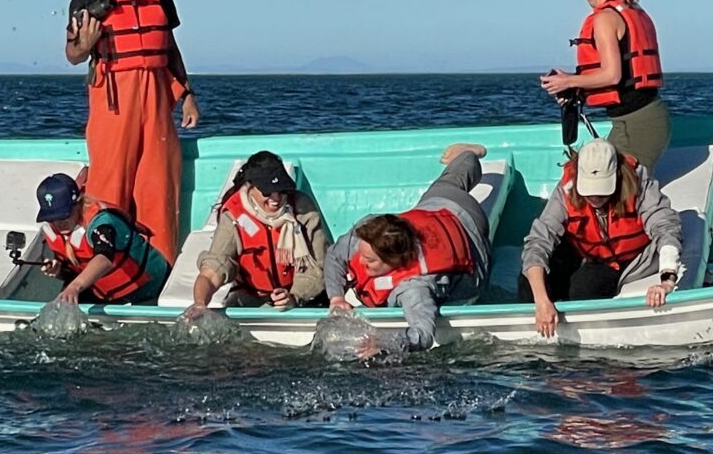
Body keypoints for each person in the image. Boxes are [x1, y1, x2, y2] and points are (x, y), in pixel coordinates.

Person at [65, 0, 200, 266]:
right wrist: (87, 42)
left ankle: (159, 266)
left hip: (156, 96)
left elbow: (169, 47)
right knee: (110, 183)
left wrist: (186, 93)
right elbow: (73, 54)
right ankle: (102, 264)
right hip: (113, 97)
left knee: (158, 182)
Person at [323, 144, 492, 356]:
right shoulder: (368, 233)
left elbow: (423, 334)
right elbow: (335, 255)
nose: (361, 263)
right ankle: (470, 153)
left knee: (457, 189)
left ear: (393, 261)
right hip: (441, 203)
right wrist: (336, 297)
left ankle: (471, 156)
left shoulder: (414, 289)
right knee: (451, 179)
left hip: (472, 228)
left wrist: (384, 343)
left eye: (370, 260)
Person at [519, 139, 682, 338]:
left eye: (602, 192)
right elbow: (538, 241)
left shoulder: (640, 185)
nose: (595, 198)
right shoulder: (566, 191)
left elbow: (665, 228)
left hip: (625, 261)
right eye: (589, 192)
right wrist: (541, 300)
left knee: (584, 288)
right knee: (530, 283)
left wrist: (667, 280)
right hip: (583, 251)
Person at [540, 0, 669, 172]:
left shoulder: (604, 19)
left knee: (606, 190)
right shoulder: (631, 10)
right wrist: (573, 83)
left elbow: (612, 75)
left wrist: (569, 82)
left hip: (637, 126)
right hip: (643, 119)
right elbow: (620, 75)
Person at [183, 151, 330, 316]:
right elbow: (212, 271)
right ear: (250, 187)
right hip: (250, 299)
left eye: (281, 190)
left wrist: (294, 297)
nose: (276, 199)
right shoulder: (233, 217)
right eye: (267, 192)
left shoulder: (304, 211)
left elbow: (319, 267)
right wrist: (200, 303)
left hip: (302, 299)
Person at [35, 173, 171, 305]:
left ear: (78, 204)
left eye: (64, 215)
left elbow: (104, 258)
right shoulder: (55, 232)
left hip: (150, 288)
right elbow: (74, 271)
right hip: (108, 295)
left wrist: (75, 286)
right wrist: (59, 270)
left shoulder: (102, 223)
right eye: (52, 218)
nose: (59, 223)